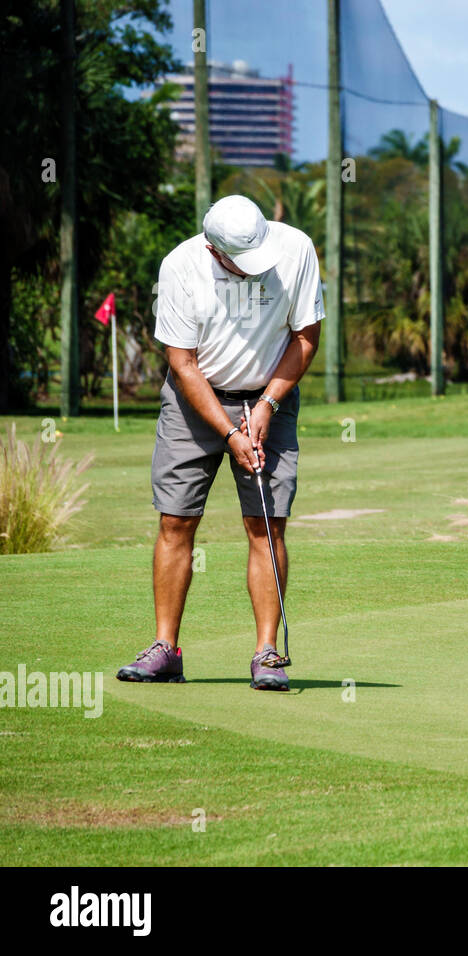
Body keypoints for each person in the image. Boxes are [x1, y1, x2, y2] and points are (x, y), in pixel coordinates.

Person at [116, 194, 323, 692]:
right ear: (214, 250)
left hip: (270, 392)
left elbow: (305, 336)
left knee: (266, 522)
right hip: (194, 401)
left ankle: (267, 653)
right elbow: (182, 364)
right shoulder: (181, 266)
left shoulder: (295, 249)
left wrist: (269, 404)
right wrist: (230, 432)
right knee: (176, 519)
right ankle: (165, 649)